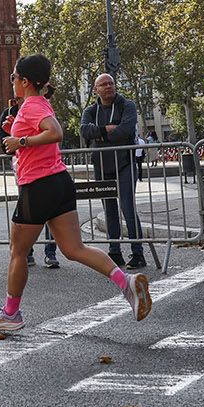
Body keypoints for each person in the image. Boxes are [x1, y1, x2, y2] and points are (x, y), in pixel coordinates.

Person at [0, 55, 152, 333]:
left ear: (25, 81)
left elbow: (55, 132)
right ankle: (127, 283)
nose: (11, 81)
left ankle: (10, 314)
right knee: (74, 249)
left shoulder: (32, 107)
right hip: (59, 182)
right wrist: (15, 131)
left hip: (38, 185)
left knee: (17, 251)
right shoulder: (37, 104)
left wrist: (20, 140)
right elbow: (41, 130)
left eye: (14, 77)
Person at [80, 73, 146, 269]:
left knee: (127, 209)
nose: (109, 86)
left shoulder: (127, 105)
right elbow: (84, 131)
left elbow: (125, 130)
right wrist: (106, 130)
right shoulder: (91, 110)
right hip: (101, 165)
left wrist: (99, 135)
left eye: (111, 83)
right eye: (103, 84)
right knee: (109, 210)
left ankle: (137, 253)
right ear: (95, 90)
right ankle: (114, 252)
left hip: (125, 163)